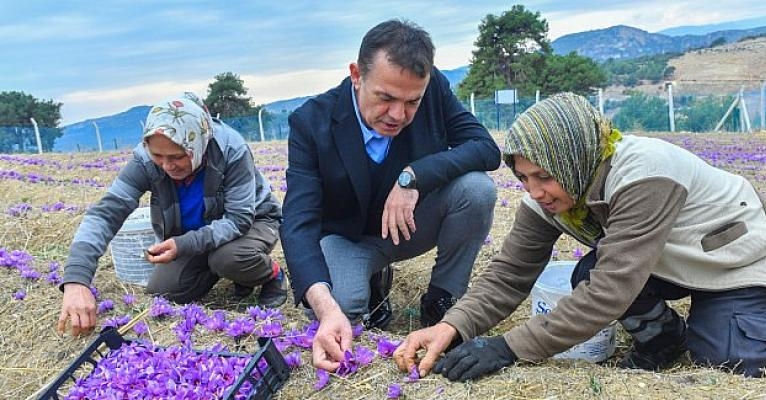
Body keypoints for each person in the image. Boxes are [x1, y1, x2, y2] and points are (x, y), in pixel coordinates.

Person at [395, 92, 766, 380]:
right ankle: (664, 340)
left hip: (726, 254)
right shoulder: (551, 196)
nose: (534, 191)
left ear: (572, 158)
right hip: (661, 257)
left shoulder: (644, 175)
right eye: (523, 177)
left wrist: (508, 348)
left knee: (734, 359)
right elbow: (509, 275)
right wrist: (453, 327)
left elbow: (611, 289)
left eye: (544, 175)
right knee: (586, 273)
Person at [282, 19, 500, 372]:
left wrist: (413, 176)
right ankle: (370, 283)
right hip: (348, 237)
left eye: (411, 101)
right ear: (357, 75)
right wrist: (326, 308)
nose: (398, 115)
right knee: (341, 311)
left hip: (410, 225)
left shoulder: (434, 89)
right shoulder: (311, 122)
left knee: (476, 190)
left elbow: (485, 149)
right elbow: (298, 221)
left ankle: (443, 299)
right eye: (385, 98)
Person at [57, 92, 285, 336]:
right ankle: (231, 271)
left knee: (227, 258)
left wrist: (185, 244)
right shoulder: (144, 160)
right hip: (197, 232)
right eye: (158, 156)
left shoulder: (230, 149)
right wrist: (76, 279)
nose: (167, 166)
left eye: (177, 156)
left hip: (253, 220)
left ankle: (271, 275)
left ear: (198, 144)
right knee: (164, 291)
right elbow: (105, 214)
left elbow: (239, 219)